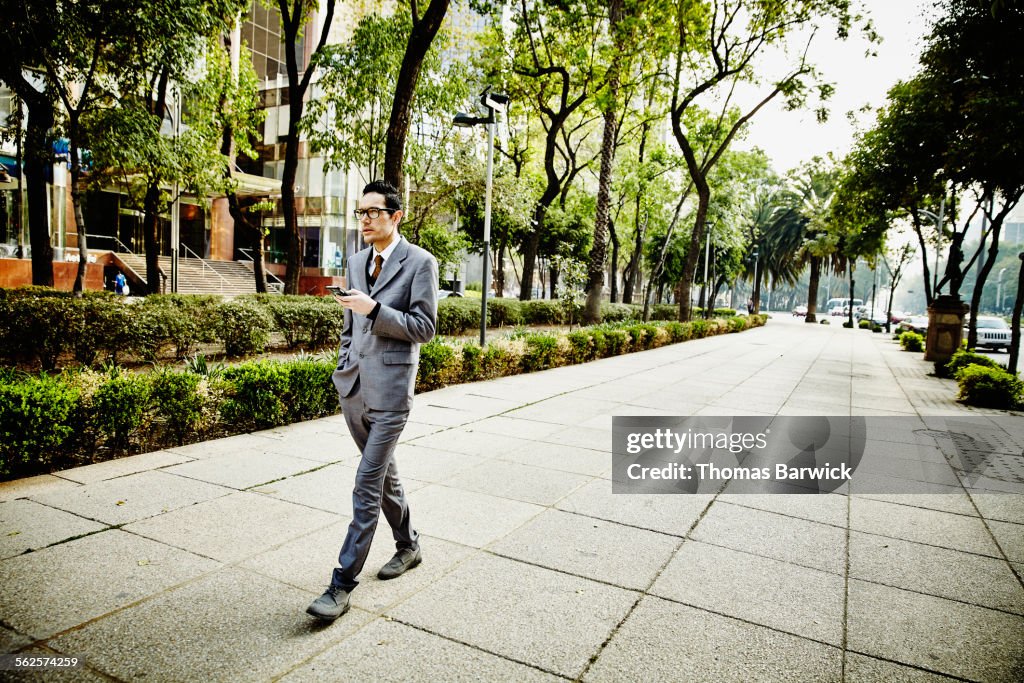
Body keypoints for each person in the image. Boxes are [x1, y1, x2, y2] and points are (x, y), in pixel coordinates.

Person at [307, 180, 439, 622]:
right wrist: (345, 365)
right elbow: (349, 324)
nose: (363, 220)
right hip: (354, 389)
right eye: (360, 212)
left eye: (372, 212)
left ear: (395, 216)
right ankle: (409, 545)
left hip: (391, 397)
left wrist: (375, 311)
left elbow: (424, 328)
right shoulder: (357, 260)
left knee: (366, 484)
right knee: (384, 479)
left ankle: (341, 584)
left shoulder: (421, 263)